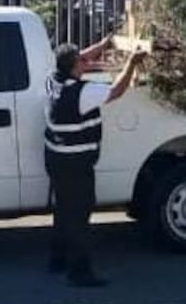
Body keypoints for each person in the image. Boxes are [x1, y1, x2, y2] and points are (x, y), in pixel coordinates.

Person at [45, 36, 148, 287]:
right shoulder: (83, 92)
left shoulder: (53, 80)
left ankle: (57, 260)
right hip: (76, 163)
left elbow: (78, 58)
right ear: (74, 66)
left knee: (63, 210)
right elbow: (117, 90)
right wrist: (132, 62)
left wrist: (102, 46)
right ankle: (79, 272)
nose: (86, 61)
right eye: (81, 60)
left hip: (56, 158)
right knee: (79, 216)